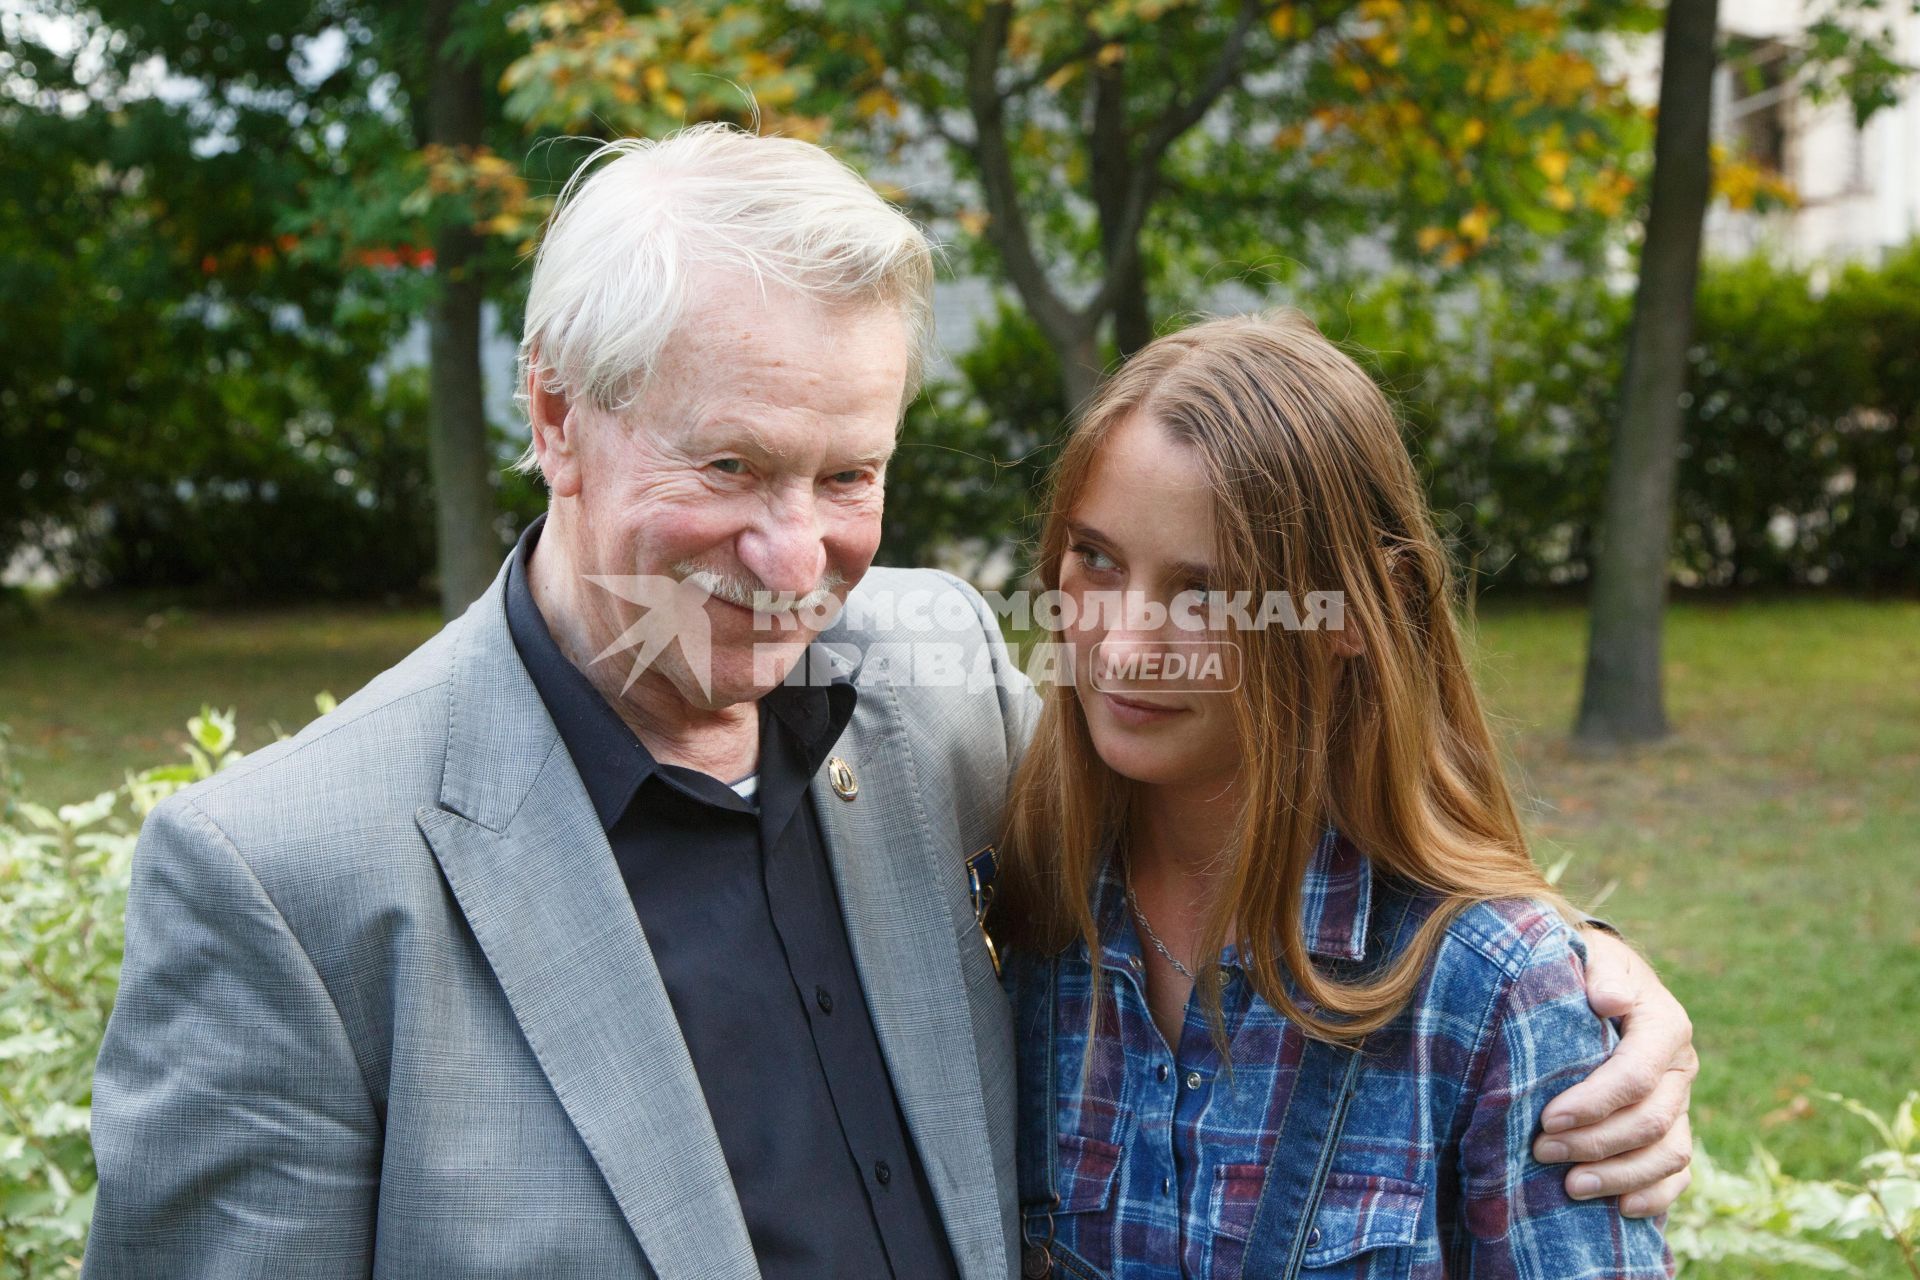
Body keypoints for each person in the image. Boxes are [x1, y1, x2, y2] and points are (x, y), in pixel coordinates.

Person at [83, 127, 1692, 1279]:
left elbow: (1273, 830)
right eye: (727, 466)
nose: (796, 557)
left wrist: (1580, 981)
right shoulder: (291, 881)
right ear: (557, 416)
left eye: (848, 474)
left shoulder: (931, 681)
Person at [995, 311, 1679, 1278]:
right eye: (1096, 559)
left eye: (1208, 594)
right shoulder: (1014, 901)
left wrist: (1572, 974)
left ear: (1358, 614)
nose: (1123, 644)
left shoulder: (1492, 993)